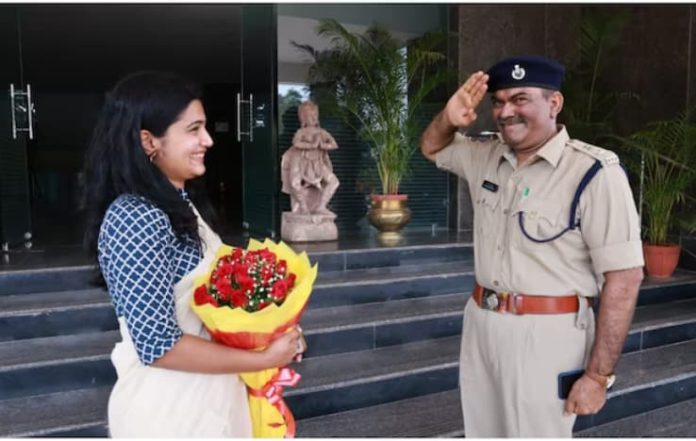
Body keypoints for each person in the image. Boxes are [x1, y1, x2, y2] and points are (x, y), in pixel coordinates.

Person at [420, 55, 644, 437]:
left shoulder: (594, 173)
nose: (506, 112)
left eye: (520, 99)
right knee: (483, 432)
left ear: (554, 103)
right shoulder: (486, 156)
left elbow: (624, 278)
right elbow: (432, 147)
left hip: (548, 333)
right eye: (499, 101)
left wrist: (598, 375)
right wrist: (448, 116)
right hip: (482, 323)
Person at [83, 71, 302, 437]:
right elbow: (158, 345)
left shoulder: (182, 206)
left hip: (213, 400)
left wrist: (273, 332)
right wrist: (263, 358)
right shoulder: (135, 216)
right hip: (171, 412)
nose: (208, 140)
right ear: (148, 141)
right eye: (193, 129)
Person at [281, 100, 339, 215]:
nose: (313, 118)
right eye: (310, 115)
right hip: (301, 160)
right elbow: (296, 143)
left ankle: (321, 206)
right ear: (303, 118)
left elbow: (334, 144)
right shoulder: (301, 132)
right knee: (294, 183)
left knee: (334, 182)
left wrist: (323, 145)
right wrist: (311, 145)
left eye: (315, 115)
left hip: (317, 163)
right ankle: (303, 206)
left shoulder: (322, 132)